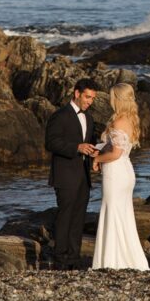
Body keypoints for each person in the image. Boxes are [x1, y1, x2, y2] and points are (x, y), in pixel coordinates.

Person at [90, 82, 150, 270]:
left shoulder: (117, 122)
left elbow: (115, 153)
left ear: (118, 99)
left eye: (112, 97)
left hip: (115, 172)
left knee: (112, 212)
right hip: (126, 171)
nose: (110, 100)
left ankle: (110, 262)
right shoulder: (131, 120)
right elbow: (120, 149)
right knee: (123, 214)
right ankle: (127, 260)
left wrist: (97, 158)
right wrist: (101, 150)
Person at [44, 77, 99, 270]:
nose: (89, 101)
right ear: (77, 93)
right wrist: (77, 147)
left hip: (83, 176)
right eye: (87, 97)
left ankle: (74, 259)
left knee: (78, 219)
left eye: (92, 98)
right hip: (65, 175)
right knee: (65, 217)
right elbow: (51, 143)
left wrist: (95, 152)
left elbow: (90, 141)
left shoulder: (89, 117)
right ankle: (59, 260)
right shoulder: (60, 115)